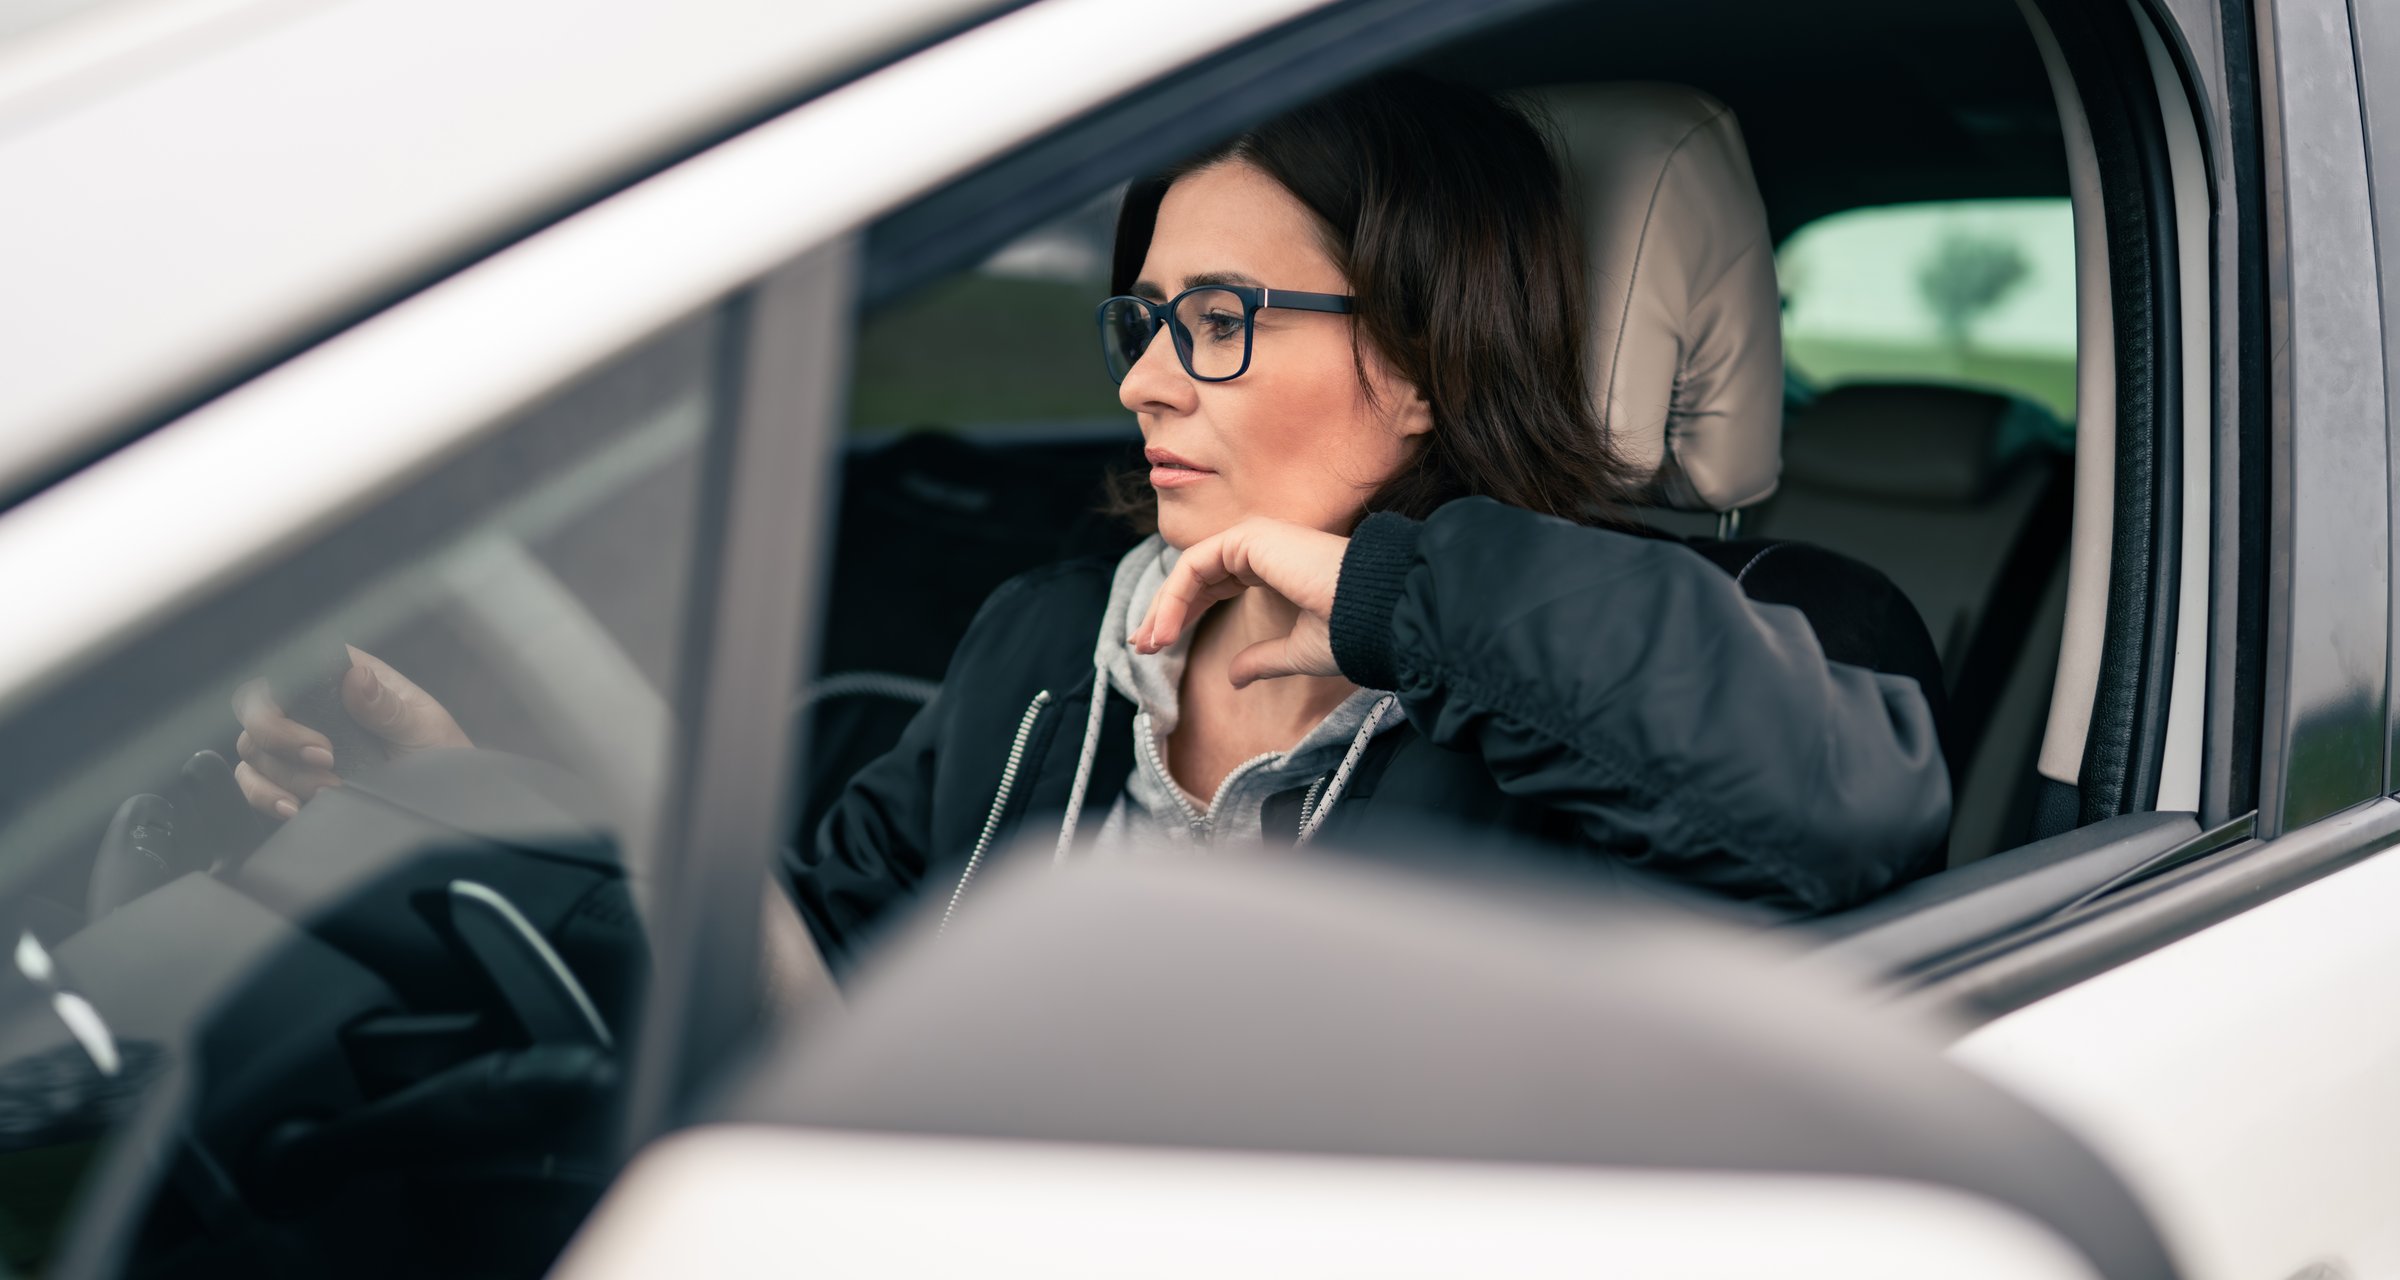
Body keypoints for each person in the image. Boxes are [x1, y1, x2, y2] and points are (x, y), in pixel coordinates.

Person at [234, 74, 1950, 975]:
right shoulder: (1057, 639)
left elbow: (1847, 819)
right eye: (1141, 323)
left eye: (1216, 319)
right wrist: (466, 802)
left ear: (1423, 361)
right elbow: (811, 966)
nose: (1143, 385)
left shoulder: (1756, 640)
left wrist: (1395, 596)